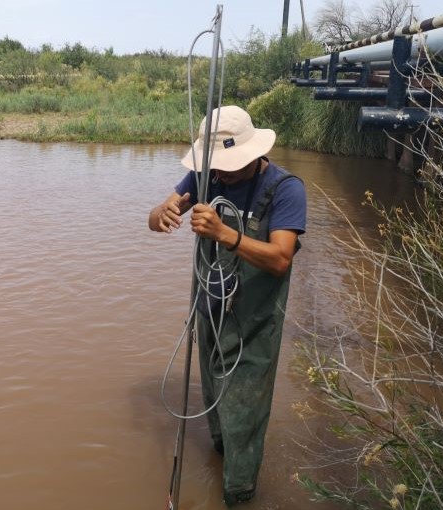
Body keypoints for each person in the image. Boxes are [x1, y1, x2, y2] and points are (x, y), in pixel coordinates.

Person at [148, 105, 306, 506]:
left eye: (227, 167)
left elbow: (281, 258)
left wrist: (225, 234)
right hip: (211, 314)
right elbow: (154, 218)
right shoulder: (204, 177)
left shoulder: (285, 189)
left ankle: (239, 492)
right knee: (216, 407)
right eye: (213, 166)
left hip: (255, 323)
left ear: (253, 155)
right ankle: (220, 459)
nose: (219, 175)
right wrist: (160, 214)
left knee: (245, 419)